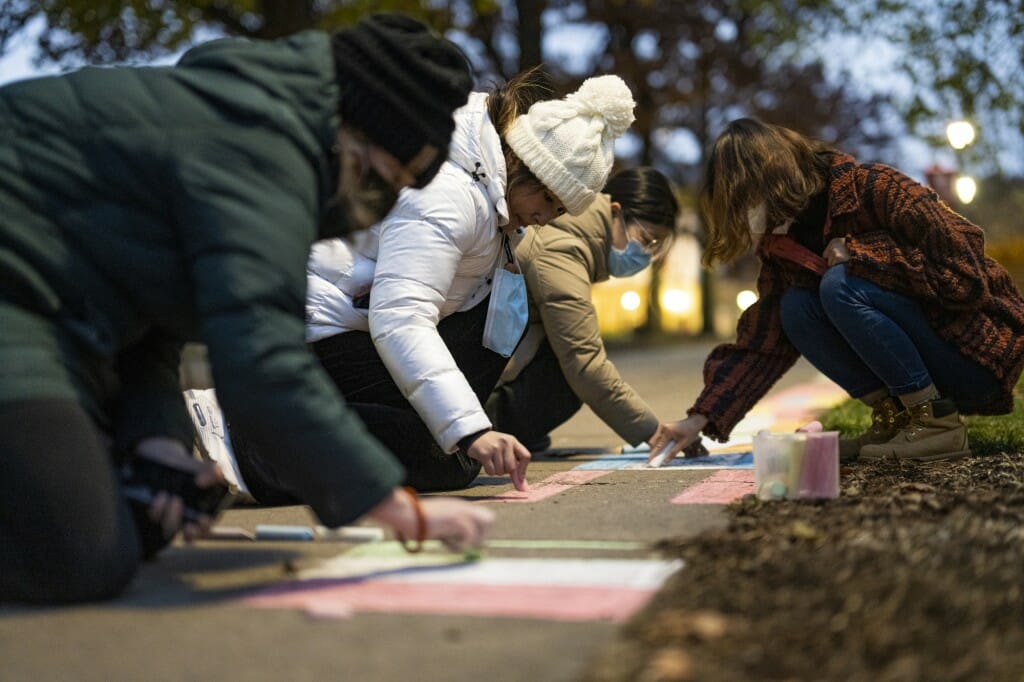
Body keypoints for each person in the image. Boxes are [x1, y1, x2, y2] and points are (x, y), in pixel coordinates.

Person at [0, 14, 493, 606]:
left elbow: (154, 315)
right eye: (381, 177)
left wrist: (155, 439)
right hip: (21, 299)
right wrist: (393, 507)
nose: (374, 207)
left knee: (157, 510)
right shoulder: (261, 147)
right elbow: (264, 363)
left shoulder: (257, 121)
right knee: (78, 558)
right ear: (352, 135)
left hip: (48, 306)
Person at [286, 70, 636, 493]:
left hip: (350, 332)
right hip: (311, 341)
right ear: (518, 161)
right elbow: (401, 317)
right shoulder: (449, 196)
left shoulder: (495, 207)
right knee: (446, 462)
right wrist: (470, 431)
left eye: (559, 211)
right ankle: (264, 435)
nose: (545, 218)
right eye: (545, 198)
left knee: (446, 457)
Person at [650, 118, 1024, 465]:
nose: (748, 217)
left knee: (839, 284)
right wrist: (697, 419)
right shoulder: (785, 244)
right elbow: (761, 344)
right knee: (794, 307)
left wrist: (863, 255)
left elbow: (966, 276)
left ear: (771, 181)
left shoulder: (875, 187)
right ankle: (897, 419)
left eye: (746, 202)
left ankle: (937, 424)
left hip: (976, 355)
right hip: (934, 365)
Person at [484, 167, 679, 452]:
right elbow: (585, 364)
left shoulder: (566, 234)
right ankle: (494, 429)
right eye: (646, 240)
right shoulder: (562, 249)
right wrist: (655, 433)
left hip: (487, 370)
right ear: (615, 212)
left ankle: (513, 429)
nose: (647, 255)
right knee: (569, 374)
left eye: (655, 248)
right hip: (480, 387)